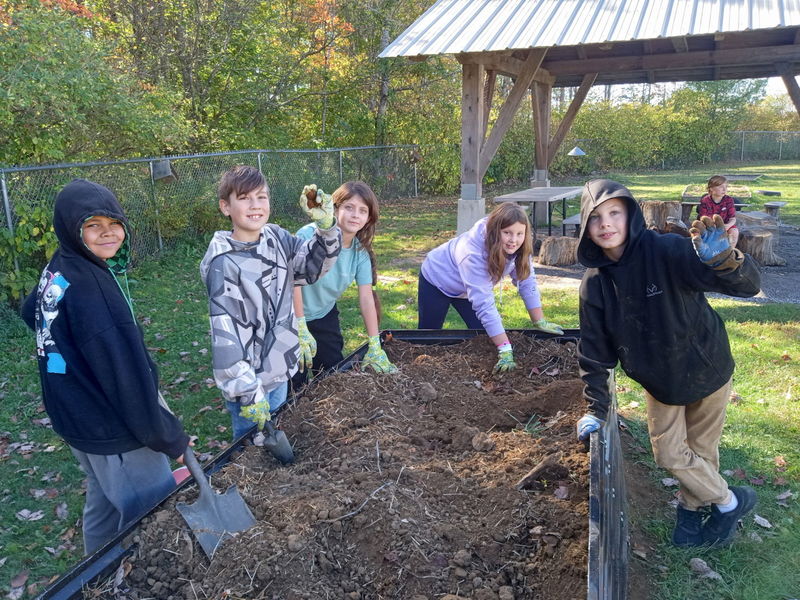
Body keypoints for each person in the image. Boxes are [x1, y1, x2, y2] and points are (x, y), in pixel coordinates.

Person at [574, 179, 761, 548]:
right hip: (661, 382)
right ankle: (730, 501)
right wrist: (597, 408)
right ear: (585, 226)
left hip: (707, 368)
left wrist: (727, 262)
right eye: (595, 217)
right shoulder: (595, 285)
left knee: (702, 450)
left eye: (615, 213)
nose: (606, 224)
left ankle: (690, 513)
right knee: (670, 453)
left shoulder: (668, 252)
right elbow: (594, 350)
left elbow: (746, 287)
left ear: (631, 217)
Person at [21, 179, 190, 555]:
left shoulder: (61, 265)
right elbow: (127, 383)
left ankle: (91, 580)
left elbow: (30, 310)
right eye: (92, 225)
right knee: (155, 516)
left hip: (76, 420)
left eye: (114, 223)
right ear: (71, 228)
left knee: (104, 507)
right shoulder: (95, 294)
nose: (108, 233)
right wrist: (170, 439)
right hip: (112, 429)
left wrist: (68, 347)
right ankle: (140, 579)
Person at [200, 166, 341, 441]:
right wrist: (248, 393)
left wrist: (326, 228)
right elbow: (226, 336)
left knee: (275, 446)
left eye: (261, 197)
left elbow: (311, 269)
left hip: (279, 369)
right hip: (250, 383)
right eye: (244, 198)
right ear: (225, 207)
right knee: (250, 454)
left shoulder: (276, 237)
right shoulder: (223, 263)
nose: (255, 205)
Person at [417, 202, 564, 374]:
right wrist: (505, 349)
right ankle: (422, 371)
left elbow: (526, 280)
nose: (513, 240)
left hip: (467, 289)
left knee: (485, 336)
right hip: (437, 279)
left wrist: (539, 320)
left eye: (519, 233)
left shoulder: (521, 247)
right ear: (495, 232)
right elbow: (484, 302)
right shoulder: (472, 253)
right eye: (507, 233)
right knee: (428, 337)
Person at [291, 181, 396, 387]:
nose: (355, 215)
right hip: (292, 318)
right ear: (335, 208)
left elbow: (366, 298)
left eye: (362, 210)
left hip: (324, 317)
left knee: (332, 377)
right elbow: (293, 283)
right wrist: (300, 325)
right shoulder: (308, 235)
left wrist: (375, 344)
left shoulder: (360, 254)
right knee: (294, 384)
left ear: (368, 218)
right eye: (349, 207)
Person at [698, 175, 739, 248]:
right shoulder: (705, 201)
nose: (724, 189)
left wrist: (728, 225)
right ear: (711, 188)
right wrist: (714, 227)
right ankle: (708, 252)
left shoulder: (729, 200)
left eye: (726, 187)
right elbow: (704, 218)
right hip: (710, 225)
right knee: (703, 233)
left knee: (734, 232)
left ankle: (730, 252)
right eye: (720, 187)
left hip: (726, 225)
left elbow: (732, 218)